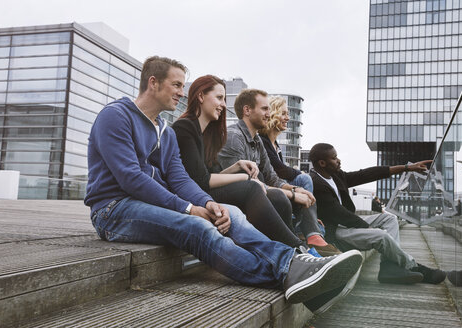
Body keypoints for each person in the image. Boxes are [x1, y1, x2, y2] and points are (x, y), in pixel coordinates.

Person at [83, 56, 363, 306]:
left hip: (148, 205)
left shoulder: (165, 133)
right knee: (197, 227)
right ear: (153, 83)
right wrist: (190, 209)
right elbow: (131, 178)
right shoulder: (116, 116)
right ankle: (290, 270)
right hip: (114, 210)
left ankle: (299, 269)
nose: (183, 93)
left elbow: (180, 179)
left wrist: (207, 202)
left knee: (234, 213)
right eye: (177, 85)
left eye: (183, 86)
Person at [173, 75, 306, 250]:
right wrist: (244, 178)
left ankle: (292, 251)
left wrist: (237, 167)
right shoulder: (185, 127)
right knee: (251, 188)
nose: (222, 105)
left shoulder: (207, 133)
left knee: (278, 197)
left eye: (224, 99)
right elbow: (201, 180)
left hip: (203, 190)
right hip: (193, 197)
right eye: (219, 98)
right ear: (200, 97)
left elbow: (209, 175)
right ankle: (296, 249)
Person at [218, 89, 340, 257]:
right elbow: (240, 183)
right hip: (230, 196)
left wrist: (296, 190)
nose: (269, 114)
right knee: (279, 198)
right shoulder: (233, 136)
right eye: (264, 109)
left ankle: (304, 246)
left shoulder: (257, 140)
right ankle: (298, 250)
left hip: (253, 192)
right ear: (247, 110)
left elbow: (272, 177)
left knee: (292, 193)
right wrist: (292, 194)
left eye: (269, 109)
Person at [308, 143, 447, 285]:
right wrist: (368, 228)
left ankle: (389, 267)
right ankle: (413, 266)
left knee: (389, 219)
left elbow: (366, 174)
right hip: (335, 231)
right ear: (322, 163)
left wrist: (406, 168)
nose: (339, 160)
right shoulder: (316, 183)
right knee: (381, 235)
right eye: (334, 158)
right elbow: (341, 214)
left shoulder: (335, 175)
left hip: (346, 224)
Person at [258, 95, 313, 192]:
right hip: (268, 186)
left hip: (278, 183)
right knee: (305, 179)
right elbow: (281, 170)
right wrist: (300, 172)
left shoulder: (274, 143)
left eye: (288, 114)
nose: (287, 118)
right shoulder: (263, 141)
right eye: (283, 114)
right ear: (272, 115)